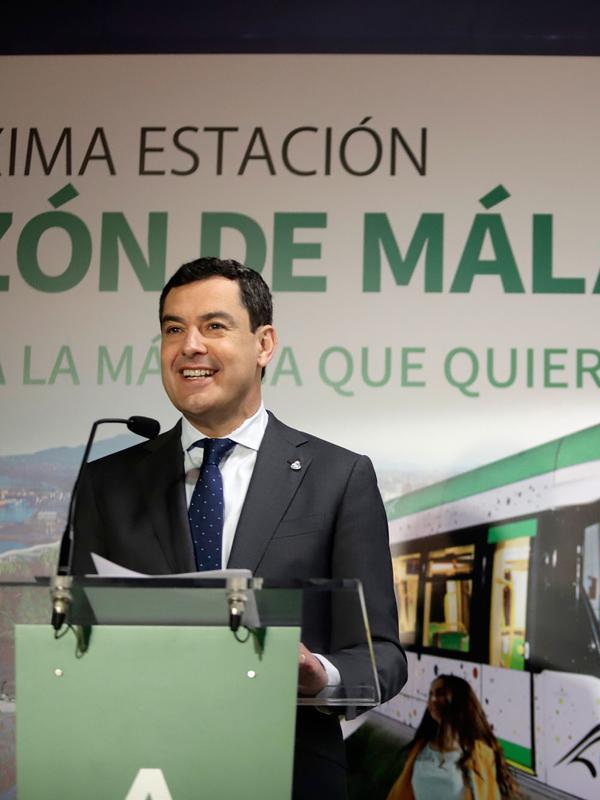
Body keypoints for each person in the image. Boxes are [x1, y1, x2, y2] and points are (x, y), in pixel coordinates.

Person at [72, 257, 407, 800]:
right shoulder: (105, 482)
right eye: (173, 329)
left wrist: (318, 674)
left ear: (264, 344)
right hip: (139, 777)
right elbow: (75, 641)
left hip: (289, 777)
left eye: (215, 326)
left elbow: (382, 659)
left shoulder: (338, 478)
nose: (190, 346)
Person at [387, 675, 519, 800]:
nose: (432, 700)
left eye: (440, 694)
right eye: (431, 694)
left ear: (459, 701)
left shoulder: (481, 755)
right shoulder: (419, 749)